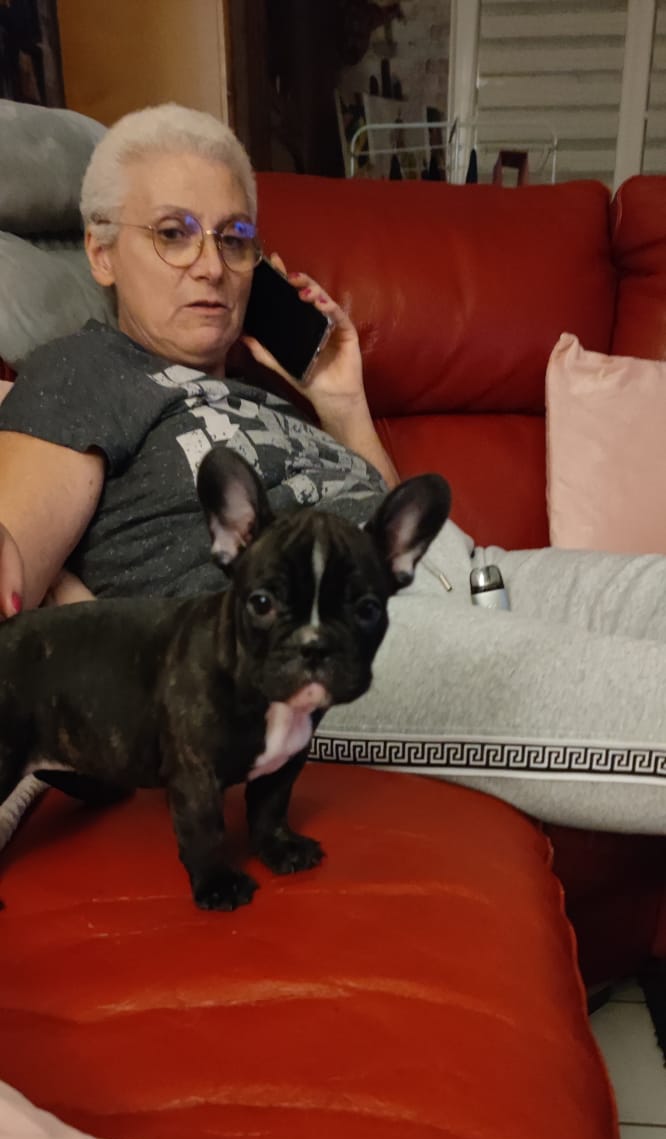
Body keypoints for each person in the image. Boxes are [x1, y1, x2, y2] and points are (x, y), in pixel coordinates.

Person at [0, 103, 664, 835]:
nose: (211, 266)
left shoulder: (262, 390)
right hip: (306, 646)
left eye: (234, 238)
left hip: (475, 573)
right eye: (173, 234)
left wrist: (341, 398)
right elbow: (13, 576)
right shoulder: (81, 374)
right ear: (100, 253)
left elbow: (388, 527)